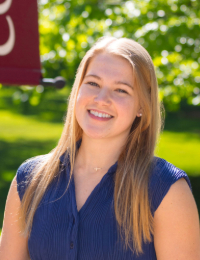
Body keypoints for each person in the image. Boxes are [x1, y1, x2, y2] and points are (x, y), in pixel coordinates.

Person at [0, 37, 200, 260]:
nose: (101, 99)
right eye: (93, 84)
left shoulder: (167, 189)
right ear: (78, 90)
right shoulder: (29, 180)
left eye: (121, 90)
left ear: (142, 106)